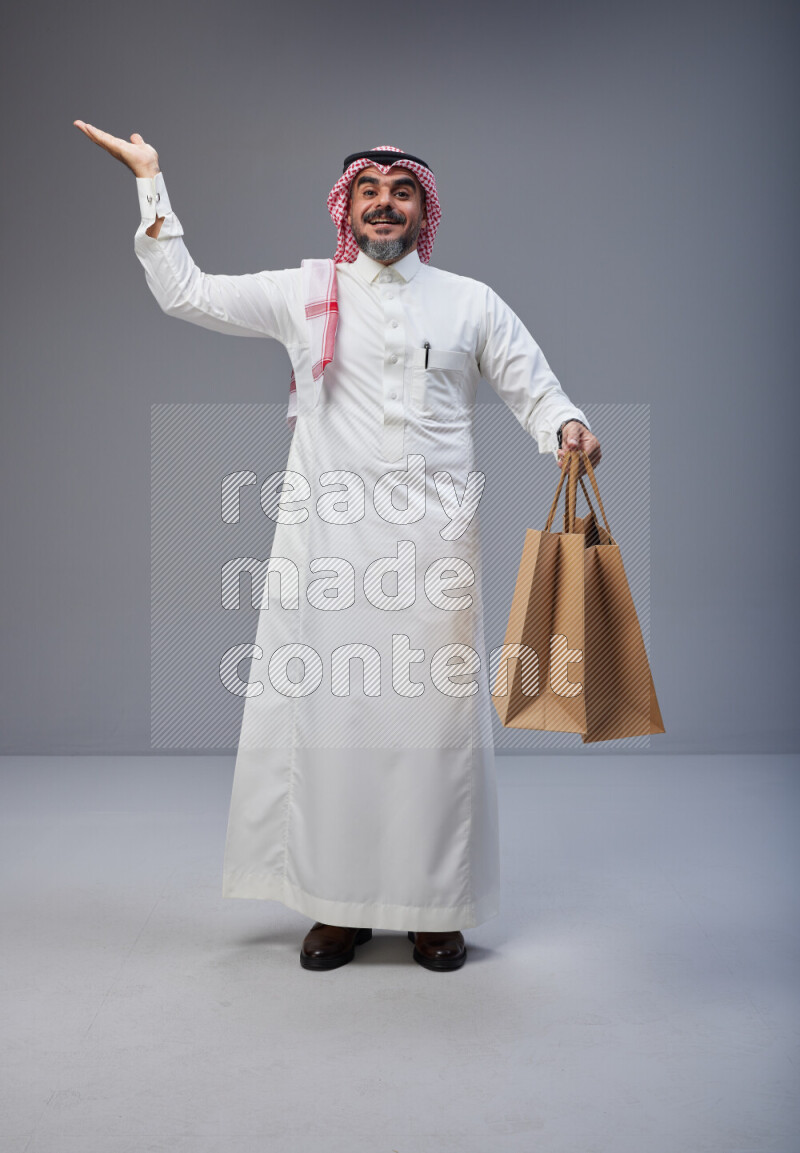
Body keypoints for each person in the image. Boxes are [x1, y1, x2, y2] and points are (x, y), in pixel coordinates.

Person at [73, 122, 602, 973]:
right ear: (346, 207)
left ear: (424, 209)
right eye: (369, 191)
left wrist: (567, 426)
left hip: (434, 548)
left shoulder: (470, 302)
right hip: (331, 546)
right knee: (335, 721)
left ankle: (435, 908)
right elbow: (188, 293)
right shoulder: (306, 290)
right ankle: (337, 905)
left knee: (433, 730)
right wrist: (150, 181)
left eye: (401, 192)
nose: (384, 204)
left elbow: (533, 387)